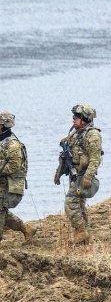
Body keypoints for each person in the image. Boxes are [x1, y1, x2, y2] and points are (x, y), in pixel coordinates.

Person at [0, 112, 36, 249]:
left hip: (8, 183)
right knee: (0, 211)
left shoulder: (13, 145)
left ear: (5, 126)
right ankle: (26, 229)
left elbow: (14, 166)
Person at [55, 104, 103, 245]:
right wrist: (58, 174)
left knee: (70, 203)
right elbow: (66, 156)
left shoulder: (92, 135)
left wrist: (88, 176)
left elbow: (95, 158)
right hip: (74, 175)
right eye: (73, 117)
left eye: (76, 118)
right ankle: (86, 238)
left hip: (82, 176)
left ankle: (81, 231)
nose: (73, 120)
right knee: (80, 206)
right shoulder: (76, 133)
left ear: (85, 119)